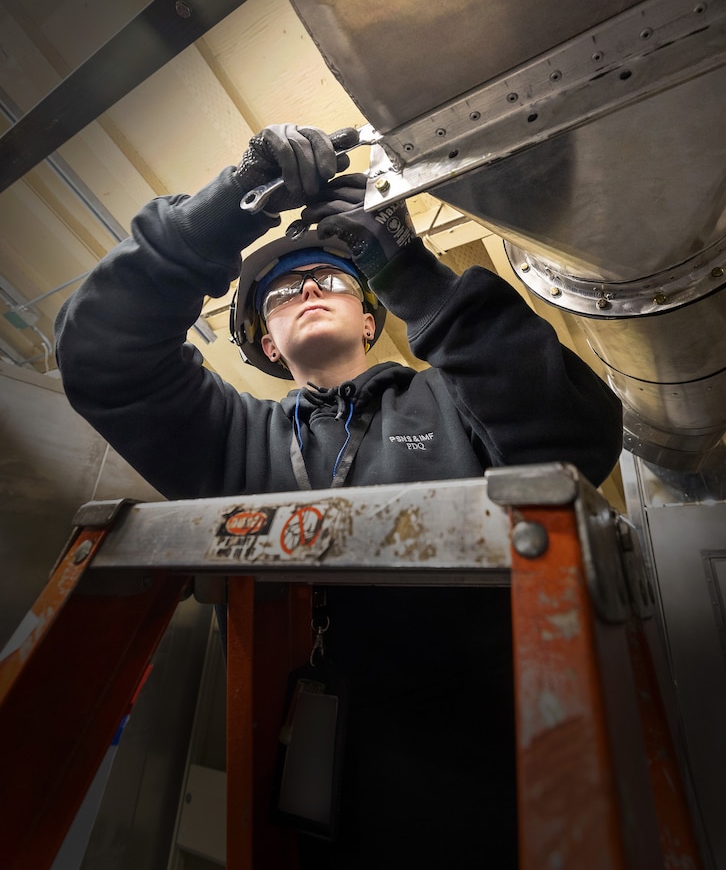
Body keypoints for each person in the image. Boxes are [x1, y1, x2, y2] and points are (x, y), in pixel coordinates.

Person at [55, 123, 623, 868]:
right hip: (304, 784)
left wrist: (409, 268)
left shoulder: (455, 401)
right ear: (266, 343)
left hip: (492, 773)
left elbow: (573, 432)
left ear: (369, 314)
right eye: (284, 292)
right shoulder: (235, 440)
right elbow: (99, 356)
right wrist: (230, 203)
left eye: (335, 276)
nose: (310, 289)